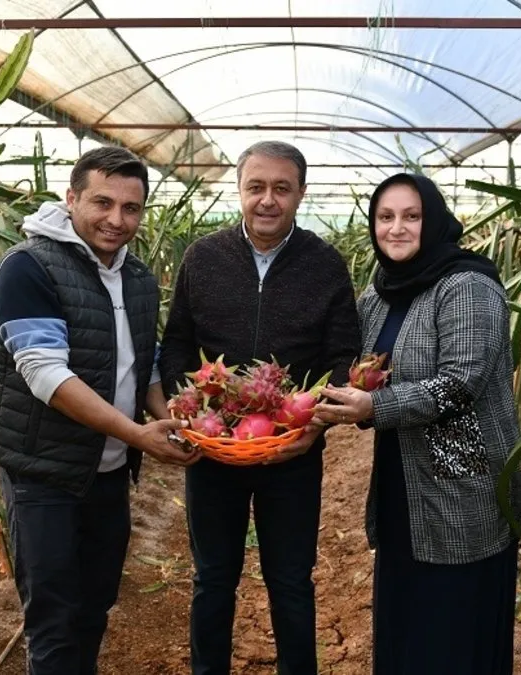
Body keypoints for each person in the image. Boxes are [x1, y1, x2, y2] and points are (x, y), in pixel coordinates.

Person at [0, 145, 200, 675]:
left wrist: (168, 413)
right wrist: (138, 433)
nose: (116, 219)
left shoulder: (138, 278)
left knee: (96, 602)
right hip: (44, 470)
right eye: (102, 203)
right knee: (54, 616)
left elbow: (140, 364)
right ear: (72, 197)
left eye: (131, 208)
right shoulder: (29, 267)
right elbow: (46, 376)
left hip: (106, 471)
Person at [314, 172, 521, 675]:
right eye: (385, 217)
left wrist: (375, 408)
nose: (396, 229)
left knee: (453, 615)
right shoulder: (379, 294)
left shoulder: (467, 286)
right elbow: (356, 365)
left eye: (411, 216)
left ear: (432, 220)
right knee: (407, 605)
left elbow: (460, 383)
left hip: (464, 481)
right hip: (401, 472)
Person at [158, 140, 362, 675]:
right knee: (213, 577)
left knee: (291, 578)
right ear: (240, 190)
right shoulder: (203, 257)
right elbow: (178, 341)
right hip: (214, 451)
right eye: (256, 187)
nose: (267, 200)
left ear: (300, 194)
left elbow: (343, 355)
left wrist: (313, 425)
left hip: (291, 449)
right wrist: (194, 411)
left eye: (281, 188)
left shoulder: (324, 264)